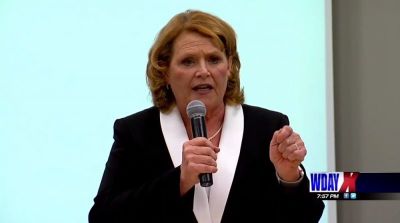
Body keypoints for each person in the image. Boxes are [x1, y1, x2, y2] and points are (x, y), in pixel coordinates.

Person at [89, 9, 325, 223]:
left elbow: (306, 217)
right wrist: (180, 181)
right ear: (165, 71)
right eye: (188, 61)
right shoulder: (136, 132)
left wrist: (289, 177)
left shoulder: (268, 127)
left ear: (230, 66)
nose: (203, 71)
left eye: (214, 59)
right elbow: (102, 217)